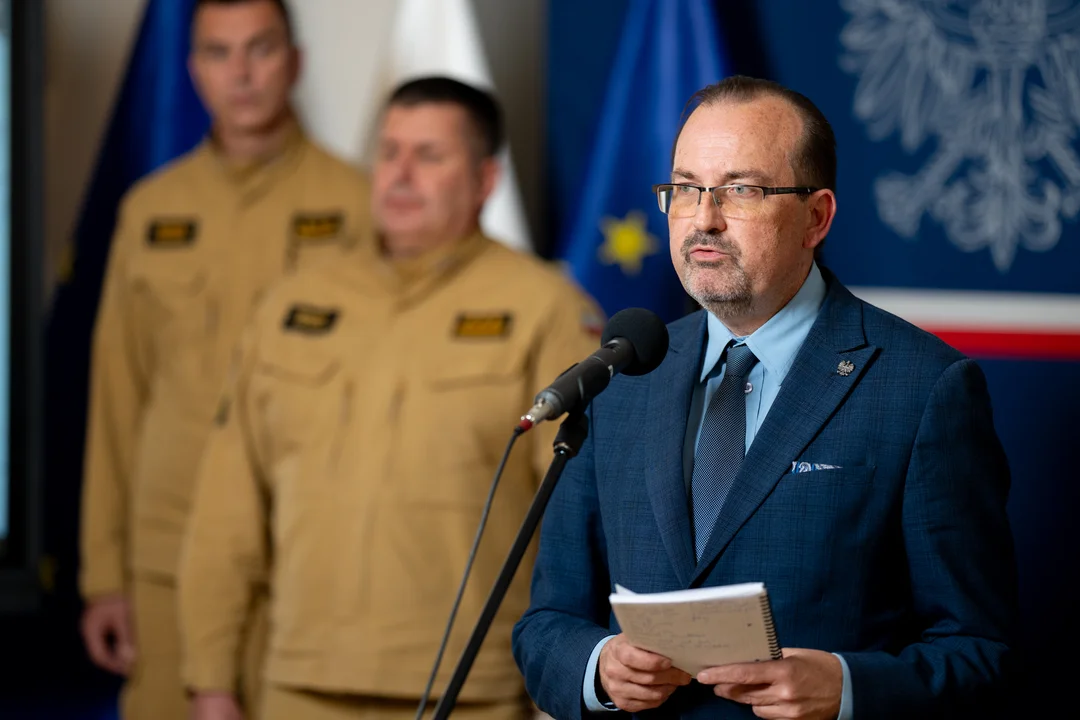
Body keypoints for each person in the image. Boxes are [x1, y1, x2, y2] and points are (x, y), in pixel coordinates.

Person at [512, 76, 1018, 720]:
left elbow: (980, 653)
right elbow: (547, 624)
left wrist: (848, 688)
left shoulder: (924, 388)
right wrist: (597, 668)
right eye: (686, 188)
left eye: (741, 190)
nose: (704, 219)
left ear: (817, 218)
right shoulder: (619, 376)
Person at [178, 76, 605, 720]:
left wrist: (564, 683)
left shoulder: (546, 310)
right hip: (299, 683)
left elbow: (577, 522)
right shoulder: (292, 302)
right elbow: (227, 505)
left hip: (471, 691)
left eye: (429, 155)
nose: (400, 175)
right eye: (389, 152)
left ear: (485, 180)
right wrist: (209, 678)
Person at [78, 1, 371, 718]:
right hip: (167, 552)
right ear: (193, 70)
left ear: (294, 62)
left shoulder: (360, 204)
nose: (240, 74)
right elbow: (117, 397)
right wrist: (104, 575)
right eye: (219, 52)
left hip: (307, 550)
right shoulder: (150, 211)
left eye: (259, 49)